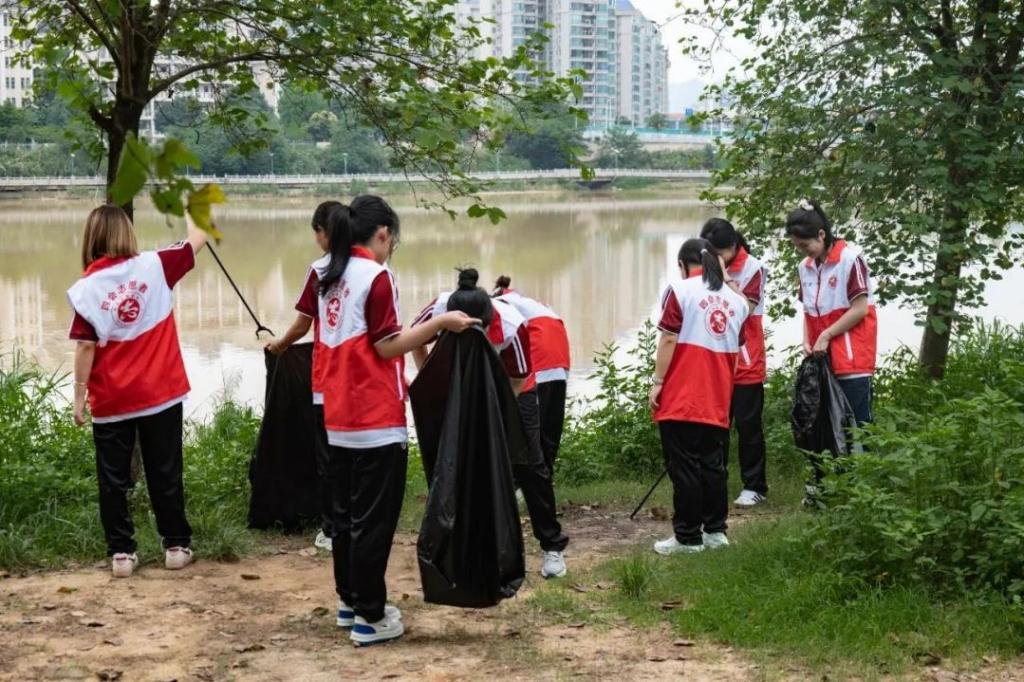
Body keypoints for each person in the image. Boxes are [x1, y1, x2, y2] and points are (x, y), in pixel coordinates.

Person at [316, 197, 478, 647]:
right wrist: (441, 323)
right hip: (373, 416)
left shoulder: (330, 273)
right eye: (392, 241)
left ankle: (350, 601)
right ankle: (370, 616)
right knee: (373, 521)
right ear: (383, 234)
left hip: (338, 415)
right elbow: (387, 345)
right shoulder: (376, 275)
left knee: (346, 518)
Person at [68, 205, 208, 578]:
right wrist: (193, 209)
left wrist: (79, 396)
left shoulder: (87, 289)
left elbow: (85, 346)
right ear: (127, 233)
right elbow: (198, 238)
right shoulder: (156, 265)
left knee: (113, 478)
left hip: (112, 398)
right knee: (165, 470)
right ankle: (176, 546)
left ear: (90, 238)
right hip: (161, 392)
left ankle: (121, 554)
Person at [412, 269, 570, 579]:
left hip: (512, 390)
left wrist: (492, 413)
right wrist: (433, 377)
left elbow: (518, 379)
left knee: (530, 463)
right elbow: (415, 340)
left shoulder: (511, 326)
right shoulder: (440, 308)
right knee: (457, 460)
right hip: (460, 386)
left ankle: (552, 546)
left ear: (489, 323)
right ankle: (462, 543)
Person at [649, 238, 750, 555]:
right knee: (713, 465)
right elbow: (737, 351)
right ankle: (715, 532)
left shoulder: (680, 290)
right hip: (718, 396)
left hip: (682, 394)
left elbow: (668, 339)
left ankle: (688, 537)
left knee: (685, 467)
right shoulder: (738, 302)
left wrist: (657, 382)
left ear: (682, 265)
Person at [265, 200, 341, 551]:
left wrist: (279, 345)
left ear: (322, 233)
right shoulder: (373, 268)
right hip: (361, 383)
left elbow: (302, 324)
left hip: (328, 379)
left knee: (329, 457)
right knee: (358, 456)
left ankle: (332, 528)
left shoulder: (321, 269)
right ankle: (358, 522)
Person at [785, 199, 877, 428]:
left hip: (851, 360)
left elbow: (860, 309)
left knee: (857, 428)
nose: (802, 251)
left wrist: (826, 335)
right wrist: (807, 340)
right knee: (827, 430)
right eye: (798, 246)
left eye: (805, 245)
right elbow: (808, 311)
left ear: (821, 234)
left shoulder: (850, 260)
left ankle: (861, 455)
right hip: (822, 362)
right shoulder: (805, 267)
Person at [700, 219, 769, 508]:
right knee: (715, 425)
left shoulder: (754, 268)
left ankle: (755, 486)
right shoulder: (706, 265)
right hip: (716, 358)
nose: (715, 258)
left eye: (719, 253)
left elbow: (745, 309)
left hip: (746, 359)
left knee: (748, 426)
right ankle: (715, 482)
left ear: (732, 246)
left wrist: (725, 276)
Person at [492, 276, 571, 472]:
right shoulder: (536, 305)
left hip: (538, 366)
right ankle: (545, 476)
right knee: (549, 429)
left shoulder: (502, 303)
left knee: (525, 430)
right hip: (560, 367)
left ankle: (521, 477)